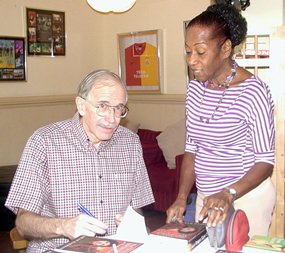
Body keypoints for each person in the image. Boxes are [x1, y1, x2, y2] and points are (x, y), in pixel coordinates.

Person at [5, 69, 154, 252]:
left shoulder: (130, 143)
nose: (112, 118)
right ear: (81, 105)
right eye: (103, 106)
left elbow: (137, 209)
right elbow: (23, 222)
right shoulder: (44, 142)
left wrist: (133, 224)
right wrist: (64, 226)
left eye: (119, 108)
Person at [166, 3, 275, 237]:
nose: (191, 60)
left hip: (245, 198)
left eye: (201, 52)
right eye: (188, 51)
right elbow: (192, 149)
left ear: (225, 48)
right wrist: (182, 198)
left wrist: (228, 193)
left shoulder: (253, 91)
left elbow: (265, 161)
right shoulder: (195, 89)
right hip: (208, 198)